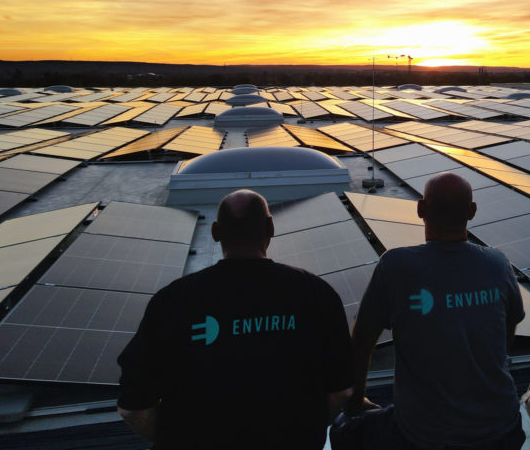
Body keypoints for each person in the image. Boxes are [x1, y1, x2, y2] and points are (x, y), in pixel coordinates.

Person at [117, 189, 353, 449]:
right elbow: (341, 390)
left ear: (215, 232)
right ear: (271, 227)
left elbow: (133, 409)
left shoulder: (171, 301)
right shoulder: (316, 293)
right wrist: (305, 431)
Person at [332, 172, 526, 450]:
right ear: (472, 211)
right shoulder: (498, 263)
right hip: (503, 429)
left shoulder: (396, 266)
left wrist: (356, 399)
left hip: (424, 436)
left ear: (421, 208)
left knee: (343, 430)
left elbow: (362, 340)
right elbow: (507, 333)